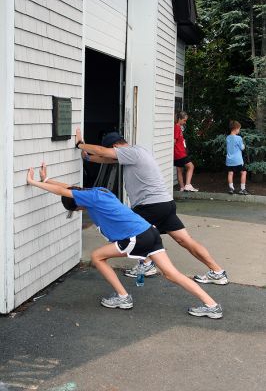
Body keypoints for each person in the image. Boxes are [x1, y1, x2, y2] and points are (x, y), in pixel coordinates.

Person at [26, 164, 223, 319]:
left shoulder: (88, 200)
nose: (81, 211)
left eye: (78, 210)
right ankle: (212, 305)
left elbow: (65, 192)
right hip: (150, 231)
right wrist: (48, 179)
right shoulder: (99, 191)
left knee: (97, 257)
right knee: (172, 274)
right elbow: (69, 189)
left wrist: (35, 183)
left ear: (79, 205)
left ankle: (122, 297)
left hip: (136, 237)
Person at [75, 128, 228, 285]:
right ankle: (217, 271)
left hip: (150, 205)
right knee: (184, 240)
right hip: (165, 204)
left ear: (114, 146)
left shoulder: (130, 153)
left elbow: (103, 152)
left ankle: (147, 264)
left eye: (110, 150)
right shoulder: (136, 151)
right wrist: (88, 158)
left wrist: (80, 144)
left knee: (132, 233)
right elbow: (105, 159)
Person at [174, 111, 198, 192]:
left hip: (177, 154)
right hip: (180, 153)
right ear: (179, 119)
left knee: (179, 169)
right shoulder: (177, 127)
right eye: (184, 120)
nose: (185, 122)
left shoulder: (178, 127)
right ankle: (187, 185)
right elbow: (174, 141)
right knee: (191, 166)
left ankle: (182, 187)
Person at [226, 120, 249, 195]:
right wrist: (243, 145)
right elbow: (242, 148)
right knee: (244, 172)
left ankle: (231, 188)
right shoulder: (239, 138)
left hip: (229, 160)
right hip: (238, 160)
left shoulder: (227, 138)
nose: (239, 130)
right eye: (239, 129)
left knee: (230, 173)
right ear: (236, 128)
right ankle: (242, 189)